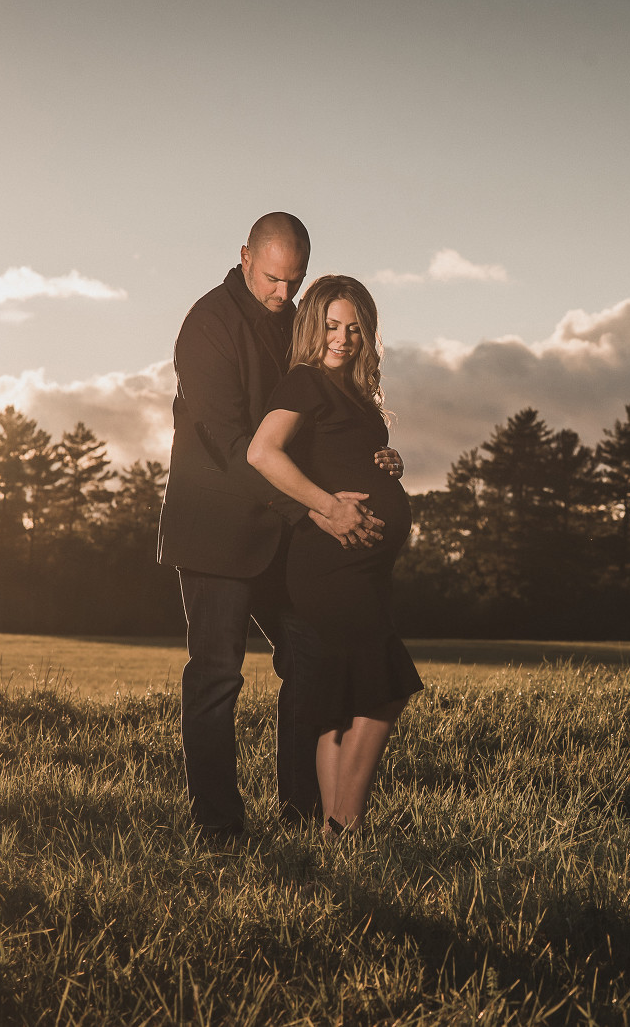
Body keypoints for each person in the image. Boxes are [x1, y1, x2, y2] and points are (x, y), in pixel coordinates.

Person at [157, 213, 404, 841]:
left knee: (311, 662)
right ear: (245, 257)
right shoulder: (208, 325)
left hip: (283, 537)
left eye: (294, 281)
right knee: (218, 677)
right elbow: (233, 445)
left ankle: (300, 815)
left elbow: (317, 416)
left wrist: (371, 456)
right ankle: (218, 827)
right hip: (217, 534)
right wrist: (317, 508)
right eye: (272, 278)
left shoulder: (297, 321)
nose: (283, 292)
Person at [247, 274, 422, 835]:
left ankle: (333, 828)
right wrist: (328, 507)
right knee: (387, 686)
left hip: (361, 569)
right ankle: (345, 824)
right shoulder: (305, 381)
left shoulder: (355, 395)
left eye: (354, 329)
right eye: (330, 326)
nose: (342, 339)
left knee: (342, 700)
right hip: (331, 565)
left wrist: (388, 461)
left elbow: (341, 454)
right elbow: (262, 453)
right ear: (311, 327)